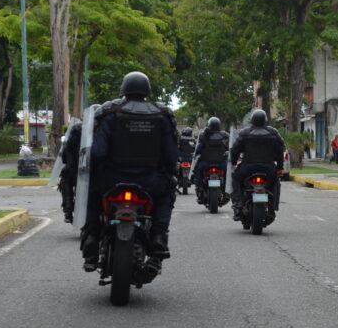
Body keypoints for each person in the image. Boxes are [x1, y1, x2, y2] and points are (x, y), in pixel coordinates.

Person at [81, 71, 179, 277]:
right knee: (167, 194)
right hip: (150, 182)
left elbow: (97, 153)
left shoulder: (109, 113)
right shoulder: (161, 115)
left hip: (112, 179)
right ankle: (159, 236)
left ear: (124, 89)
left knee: (92, 194)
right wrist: (170, 172)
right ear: (147, 90)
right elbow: (171, 158)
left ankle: (91, 237)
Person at [230, 109, 286, 221]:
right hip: (268, 168)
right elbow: (281, 150)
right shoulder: (273, 133)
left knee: (235, 178)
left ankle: (238, 205)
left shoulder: (245, 133)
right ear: (265, 120)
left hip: (248, 168)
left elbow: (235, 149)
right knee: (275, 182)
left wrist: (234, 162)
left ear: (252, 120)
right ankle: (273, 206)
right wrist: (280, 167)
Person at [193, 117, 229, 203]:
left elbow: (199, 149)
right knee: (228, 174)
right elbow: (230, 147)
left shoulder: (204, 135)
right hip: (221, 163)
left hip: (206, 163)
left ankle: (200, 188)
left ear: (209, 125)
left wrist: (197, 153)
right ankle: (225, 190)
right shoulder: (224, 135)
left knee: (197, 171)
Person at [57, 121, 82, 224]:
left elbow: (64, 158)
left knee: (65, 182)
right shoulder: (96, 133)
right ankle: (68, 208)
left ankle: (68, 210)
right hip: (85, 171)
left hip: (73, 170)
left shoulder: (73, 134)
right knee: (65, 181)